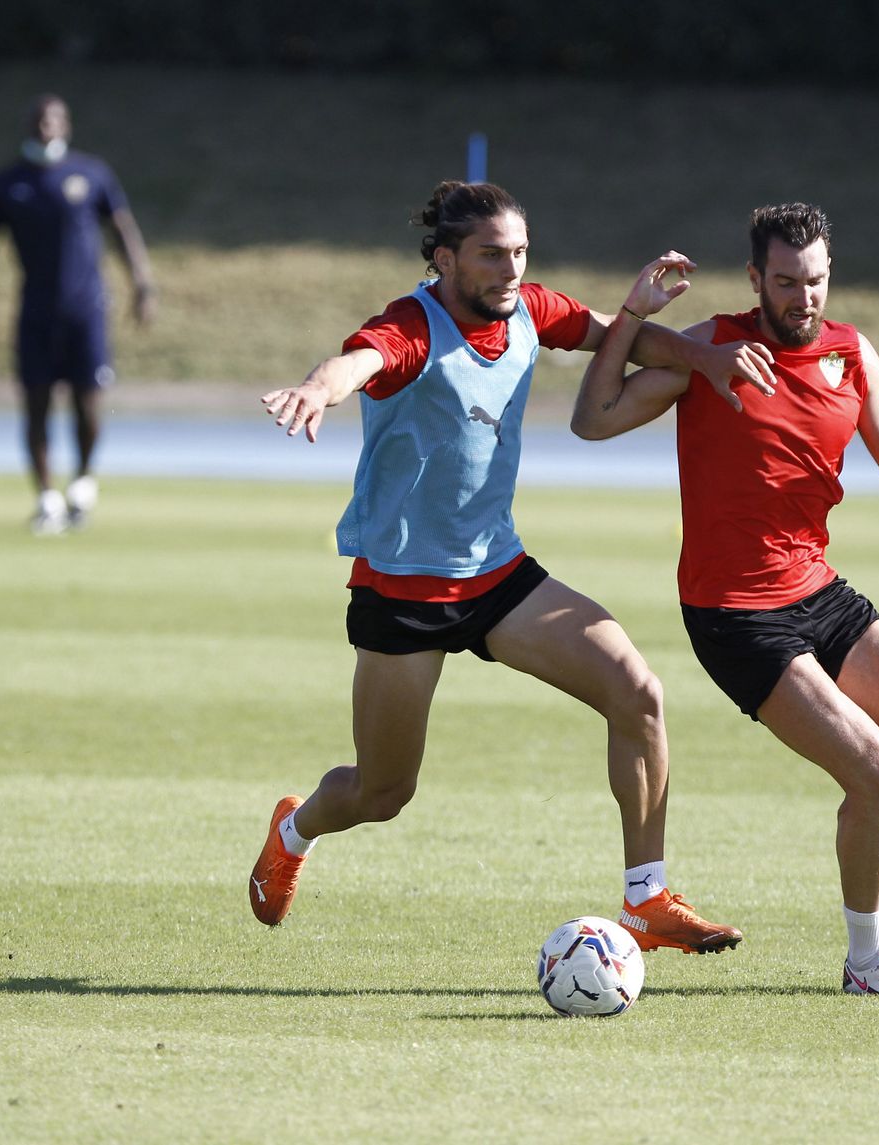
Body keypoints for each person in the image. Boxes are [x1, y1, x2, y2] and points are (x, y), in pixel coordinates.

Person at [249, 180, 777, 953]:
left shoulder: (528, 307)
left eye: (520, 252)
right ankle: (294, 830)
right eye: (492, 254)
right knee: (384, 790)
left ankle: (647, 898)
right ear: (444, 258)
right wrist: (316, 389)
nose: (509, 268)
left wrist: (703, 356)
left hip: (496, 575)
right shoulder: (411, 325)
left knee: (637, 692)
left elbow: (610, 336)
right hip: (404, 589)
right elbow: (360, 360)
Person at [570, 202, 879, 999]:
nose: (801, 297)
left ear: (829, 276)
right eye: (784, 282)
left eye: (814, 281)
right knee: (875, 771)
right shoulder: (710, 347)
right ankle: (866, 958)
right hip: (735, 614)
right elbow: (591, 420)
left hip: (819, 592)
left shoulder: (852, 351)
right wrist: (633, 315)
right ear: (754, 280)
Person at [0, 94, 156, 534]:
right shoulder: (8, 183)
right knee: (35, 406)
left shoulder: (91, 173)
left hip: (87, 310)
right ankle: (47, 497)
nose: (47, 126)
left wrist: (142, 283)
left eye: (54, 119)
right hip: (36, 311)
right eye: (39, 119)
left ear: (66, 125)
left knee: (88, 404)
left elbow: (122, 228)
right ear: (29, 124)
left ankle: (83, 482)